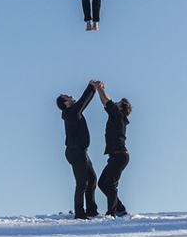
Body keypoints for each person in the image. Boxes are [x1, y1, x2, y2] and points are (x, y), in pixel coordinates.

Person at [57, 82, 99, 219]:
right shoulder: (71, 112)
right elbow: (83, 101)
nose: (71, 96)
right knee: (82, 182)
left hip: (81, 151)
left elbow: (83, 103)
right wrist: (92, 87)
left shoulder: (71, 112)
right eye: (68, 97)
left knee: (92, 179)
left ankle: (91, 210)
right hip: (75, 151)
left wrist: (93, 89)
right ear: (66, 103)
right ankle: (80, 213)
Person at [92, 80, 133, 217]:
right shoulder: (115, 115)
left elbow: (107, 101)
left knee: (110, 184)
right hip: (115, 156)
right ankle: (119, 208)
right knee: (103, 183)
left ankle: (112, 212)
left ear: (121, 108)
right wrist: (99, 90)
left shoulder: (118, 115)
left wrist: (100, 88)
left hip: (119, 155)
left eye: (119, 103)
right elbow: (105, 103)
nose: (116, 103)